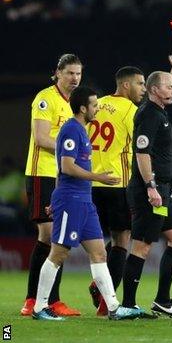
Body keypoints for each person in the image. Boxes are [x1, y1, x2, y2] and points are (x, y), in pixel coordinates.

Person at [31, 86, 140, 321]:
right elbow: (67, 166)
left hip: (84, 201)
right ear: (83, 108)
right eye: (93, 105)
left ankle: (113, 307)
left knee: (99, 253)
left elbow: (63, 170)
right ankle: (39, 307)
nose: (97, 108)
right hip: (71, 201)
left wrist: (54, 198)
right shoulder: (71, 129)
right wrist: (99, 178)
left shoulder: (82, 129)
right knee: (58, 253)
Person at [119, 33, 172, 319]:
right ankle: (127, 305)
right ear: (153, 90)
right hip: (150, 188)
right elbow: (141, 153)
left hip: (162, 187)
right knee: (142, 245)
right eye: (169, 87)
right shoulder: (149, 114)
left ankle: (162, 300)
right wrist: (150, 186)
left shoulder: (159, 108)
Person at [21, 54, 83, 317]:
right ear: (57, 73)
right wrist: (72, 143)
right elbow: (41, 137)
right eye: (69, 73)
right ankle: (31, 299)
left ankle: (53, 300)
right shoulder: (45, 99)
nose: (75, 78)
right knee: (48, 235)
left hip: (63, 177)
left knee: (58, 236)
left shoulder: (74, 105)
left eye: (78, 74)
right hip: (41, 174)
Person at [87, 66, 146, 316]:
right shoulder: (132, 111)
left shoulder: (95, 105)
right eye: (140, 84)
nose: (143, 89)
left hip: (89, 183)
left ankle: (93, 284)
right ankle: (104, 301)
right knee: (122, 241)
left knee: (93, 241)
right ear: (125, 85)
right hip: (117, 183)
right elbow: (143, 149)